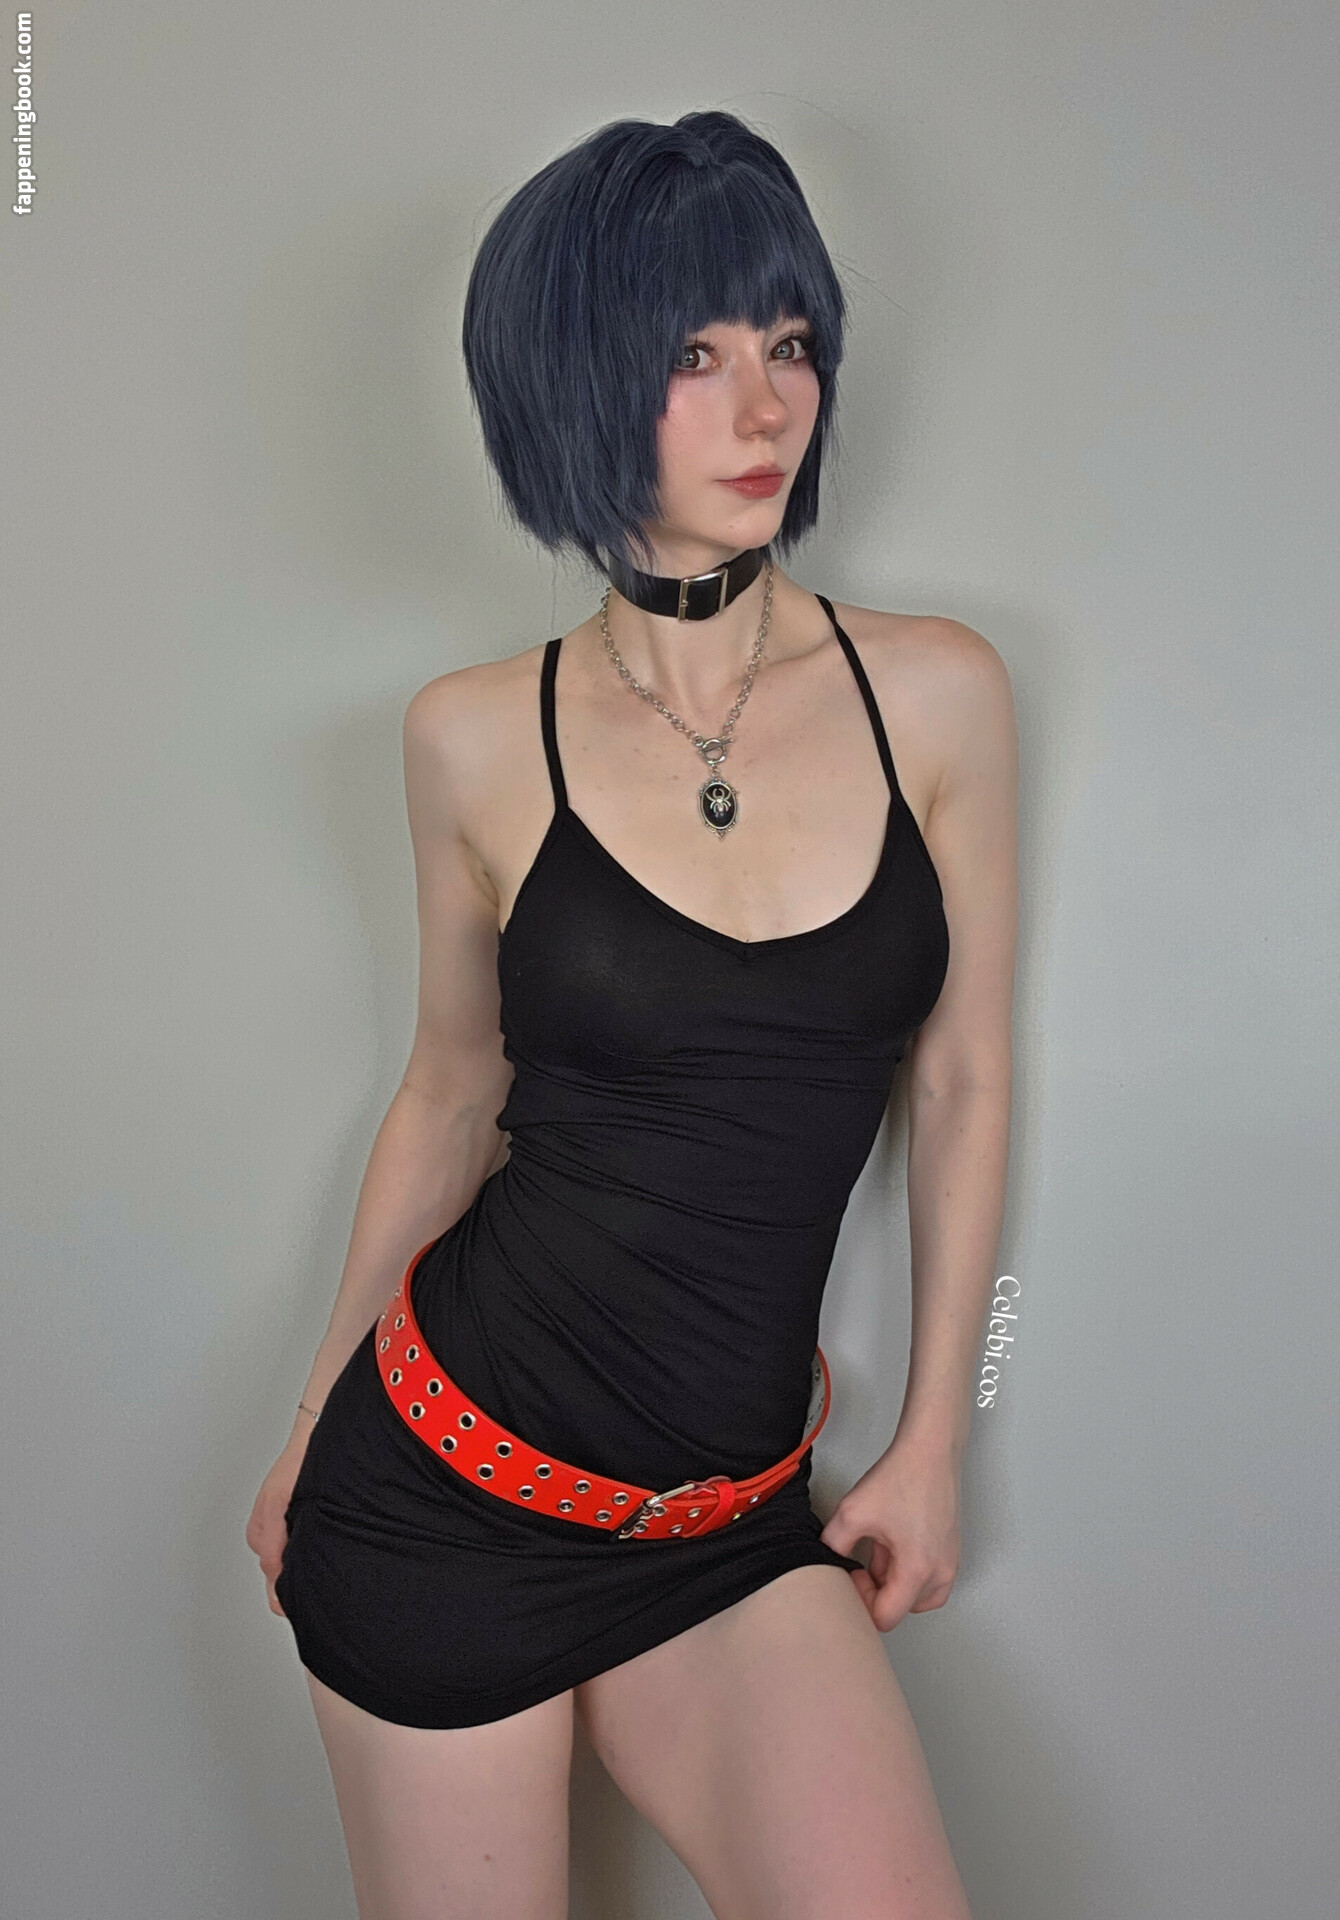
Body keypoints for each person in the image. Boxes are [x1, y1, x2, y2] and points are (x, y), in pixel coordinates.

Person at [246, 107, 1016, 1920]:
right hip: (441, 1491)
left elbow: (966, 1082)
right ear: (577, 381)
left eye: (791, 343)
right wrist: (310, 1417)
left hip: (727, 1530)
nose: (767, 408)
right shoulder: (468, 736)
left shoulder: (938, 696)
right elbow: (449, 1097)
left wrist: (941, 1433)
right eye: (694, 354)